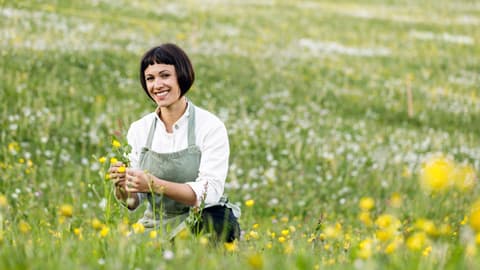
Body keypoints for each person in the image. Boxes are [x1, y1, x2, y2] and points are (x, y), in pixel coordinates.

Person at [108, 43, 240, 242]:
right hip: (155, 224)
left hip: (200, 217)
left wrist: (154, 184)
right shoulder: (140, 129)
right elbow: (133, 201)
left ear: (182, 76)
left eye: (165, 75)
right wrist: (122, 187)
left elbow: (209, 193)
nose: (157, 85)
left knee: (220, 222)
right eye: (150, 79)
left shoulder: (210, 126)